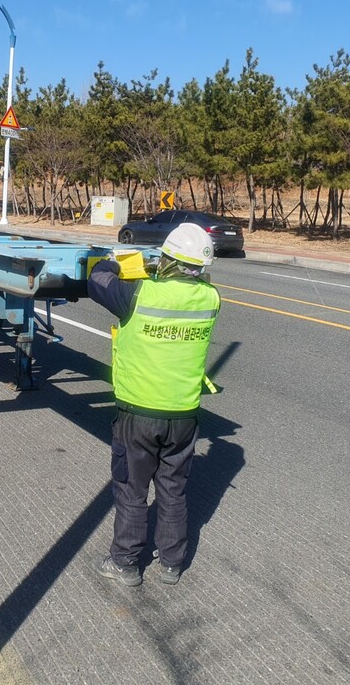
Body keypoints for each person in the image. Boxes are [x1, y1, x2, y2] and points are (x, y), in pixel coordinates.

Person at [88, 222, 220, 586]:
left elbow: (97, 281)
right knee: (173, 490)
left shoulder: (140, 293)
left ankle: (125, 563)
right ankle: (172, 564)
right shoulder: (211, 298)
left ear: (169, 261)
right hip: (184, 415)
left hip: (139, 413)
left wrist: (114, 261)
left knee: (131, 489)